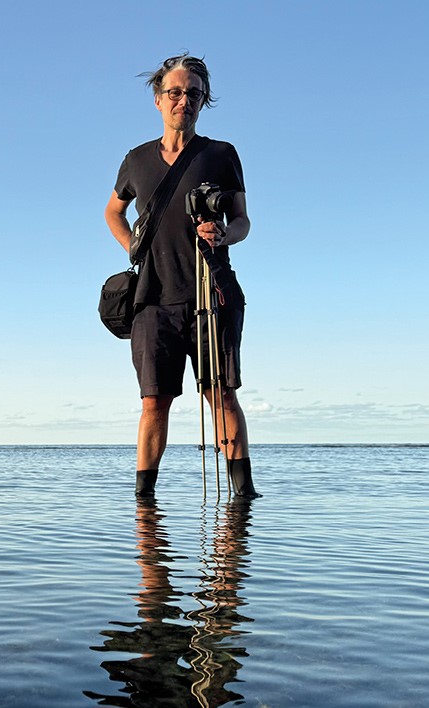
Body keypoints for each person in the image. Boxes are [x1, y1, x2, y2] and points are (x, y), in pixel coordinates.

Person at [104, 55, 259, 499]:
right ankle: (144, 501)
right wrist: (131, 244)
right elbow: (113, 212)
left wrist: (225, 234)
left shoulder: (221, 155)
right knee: (154, 401)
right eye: (175, 92)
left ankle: (243, 496)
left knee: (221, 395)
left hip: (213, 293)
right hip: (153, 299)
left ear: (202, 100)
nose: (184, 100)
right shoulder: (135, 159)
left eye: (193, 93)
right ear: (158, 99)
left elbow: (244, 220)